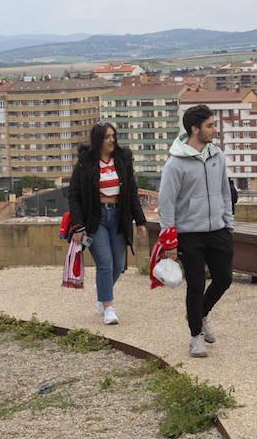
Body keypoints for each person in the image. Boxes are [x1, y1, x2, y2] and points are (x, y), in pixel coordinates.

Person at [157, 104, 234, 358]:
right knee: (196, 285)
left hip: (218, 229)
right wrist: (169, 240)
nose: (214, 129)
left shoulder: (217, 155)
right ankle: (195, 336)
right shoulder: (175, 164)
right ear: (195, 129)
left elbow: (225, 191)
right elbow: (166, 203)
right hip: (189, 234)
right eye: (210, 125)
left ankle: (199, 314)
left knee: (224, 279)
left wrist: (228, 223)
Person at [67, 122, 148, 325]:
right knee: (105, 263)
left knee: (119, 265)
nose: (112, 140)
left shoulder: (122, 160)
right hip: (96, 219)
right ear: (98, 141)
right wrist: (78, 225)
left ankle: (102, 291)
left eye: (113, 135)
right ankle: (108, 308)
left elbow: (131, 192)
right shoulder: (85, 163)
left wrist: (140, 221)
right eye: (107, 137)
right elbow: (74, 195)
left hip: (119, 217)